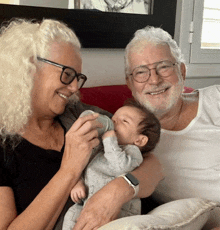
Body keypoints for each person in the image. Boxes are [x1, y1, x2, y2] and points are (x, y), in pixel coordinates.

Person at [0, 18, 163, 230]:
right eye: (67, 75)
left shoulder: (76, 112)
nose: (75, 87)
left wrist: (117, 191)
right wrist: (69, 170)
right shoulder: (4, 144)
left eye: (78, 77)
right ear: (28, 69)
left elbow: (154, 164)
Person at [124, 25, 220, 228]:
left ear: (182, 71)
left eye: (164, 66)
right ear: (130, 84)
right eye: (141, 72)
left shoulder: (216, 99)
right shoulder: (130, 136)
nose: (155, 79)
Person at [62, 100, 161, 230]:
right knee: (71, 215)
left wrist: (109, 140)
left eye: (124, 121)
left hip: (120, 211)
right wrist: (78, 183)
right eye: (113, 118)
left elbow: (120, 166)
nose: (114, 122)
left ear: (140, 140)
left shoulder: (132, 152)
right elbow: (83, 166)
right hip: (87, 204)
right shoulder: (100, 147)